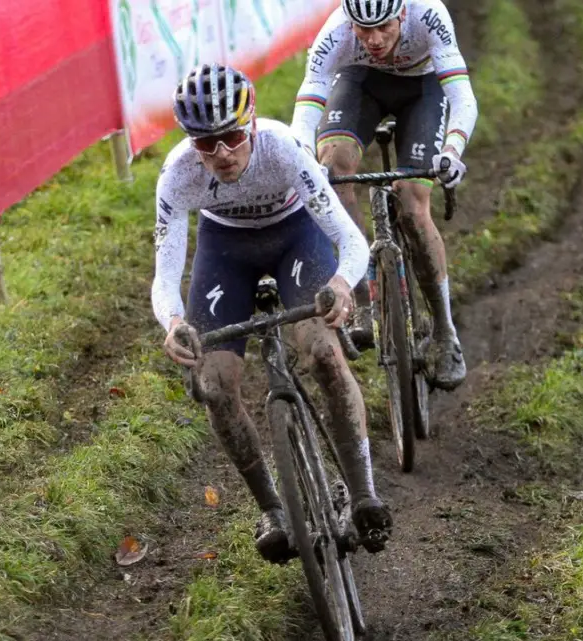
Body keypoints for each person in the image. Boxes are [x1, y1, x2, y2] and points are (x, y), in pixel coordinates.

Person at [151, 63, 393, 563]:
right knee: (213, 384)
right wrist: (173, 323)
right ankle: (273, 509)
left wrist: (342, 284)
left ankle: (364, 491)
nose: (221, 154)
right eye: (205, 143)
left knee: (324, 353)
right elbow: (166, 270)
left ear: (253, 123)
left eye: (233, 137)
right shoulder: (177, 175)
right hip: (226, 252)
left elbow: (349, 238)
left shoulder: (283, 149)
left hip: (295, 238)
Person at [290, 0, 476, 391]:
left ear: (402, 15)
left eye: (384, 28)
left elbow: (461, 96)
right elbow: (308, 102)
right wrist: (304, 156)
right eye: (363, 30)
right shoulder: (336, 30)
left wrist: (453, 150)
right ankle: (362, 294)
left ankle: (444, 331)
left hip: (423, 89)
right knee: (334, 171)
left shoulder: (428, 14)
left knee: (412, 204)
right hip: (361, 84)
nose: (374, 40)